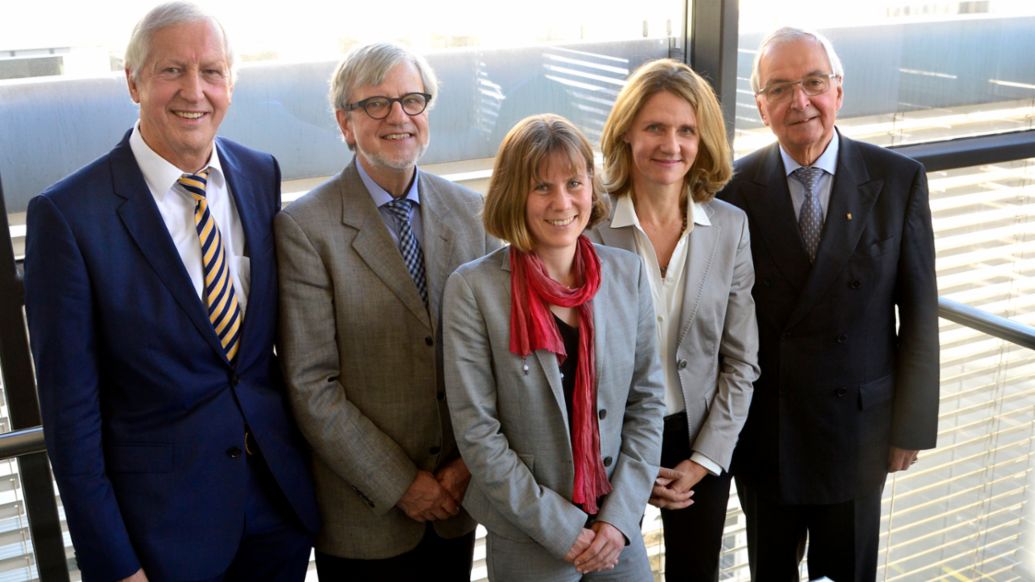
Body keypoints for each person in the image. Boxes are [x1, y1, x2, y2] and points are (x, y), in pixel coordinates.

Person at [21, 3, 320, 581]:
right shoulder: (68, 215)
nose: (195, 90)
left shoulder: (261, 175)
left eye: (211, 71)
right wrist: (115, 565)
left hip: (278, 513)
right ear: (133, 81)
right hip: (162, 538)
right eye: (171, 71)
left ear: (231, 82)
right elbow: (70, 419)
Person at [718, 27, 940, 581]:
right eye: (781, 88)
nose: (801, 101)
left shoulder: (897, 179)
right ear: (761, 105)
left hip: (859, 433)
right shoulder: (732, 189)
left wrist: (910, 427)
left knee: (850, 573)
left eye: (814, 82)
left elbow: (919, 313)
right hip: (768, 431)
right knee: (770, 571)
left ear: (838, 91)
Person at [274, 42, 497, 581]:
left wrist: (467, 466)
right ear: (345, 123)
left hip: (459, 501)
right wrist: (403, 484)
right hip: (364, 518)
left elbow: (499, 358)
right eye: (376, 104)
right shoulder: (305, 228)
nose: (399, 116)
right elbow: (311, 385)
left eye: (412, 100)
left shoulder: (474, 213)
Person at [443, 113, 665, 581]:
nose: (562, 202)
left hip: (615, 531)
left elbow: (646, 404)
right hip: (530, 534)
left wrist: (619, 520)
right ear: (513, 194)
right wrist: (563, 530)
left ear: (591, 187)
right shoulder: (474, 288)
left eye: (574, 183)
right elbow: (478, 433)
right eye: (541, 187)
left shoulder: (626, 274)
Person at [589, 58, 759, 581]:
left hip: (699, 434)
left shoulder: (730, 227)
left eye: (687, 130)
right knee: (610, 570)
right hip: (610, 440)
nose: (672, 144)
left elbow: (742, 361)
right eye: (655, 128)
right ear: (626, 135)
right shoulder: (588, 226)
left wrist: (703, 460)